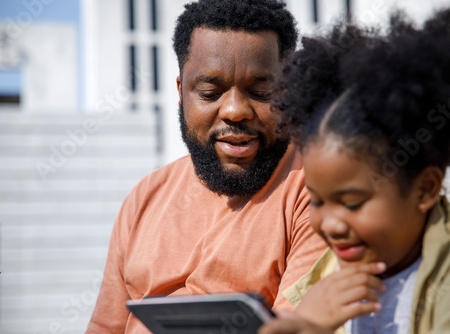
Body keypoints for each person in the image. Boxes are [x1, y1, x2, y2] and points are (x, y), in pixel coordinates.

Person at [86, 0, 327, 333]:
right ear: (181, 92)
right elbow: (104, 326)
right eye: (210, 92)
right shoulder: (144, 197)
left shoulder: (318, 189)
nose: (235, 110)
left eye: (261, 91)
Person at [259, 7, 450, 334]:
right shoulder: (334, 267)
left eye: (352, 203)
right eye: (317, 202)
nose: (332, 225)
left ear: (425, 189)